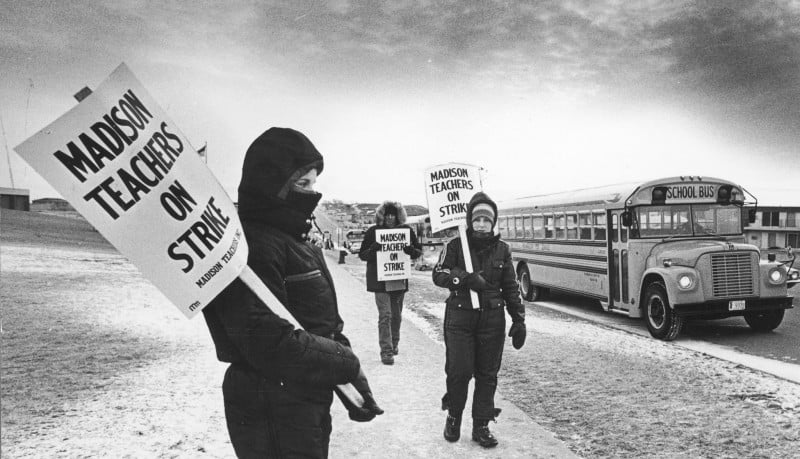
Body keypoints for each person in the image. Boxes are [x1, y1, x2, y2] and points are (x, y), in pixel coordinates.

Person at [202, 127, 383, 458]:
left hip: (303, 403)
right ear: (273, 186)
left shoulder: (296, 242)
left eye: (314, 184)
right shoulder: (249, 248)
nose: (312, 194)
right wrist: (346, 363)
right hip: (270, 407)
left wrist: (349, 384)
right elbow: (268, 342)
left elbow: (320, 321)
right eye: (303, 184)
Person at [432, 192, 527, 448]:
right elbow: (438, 274)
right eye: (477, 219)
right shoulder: (455, 246)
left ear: (493, 222)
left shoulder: (502, 250)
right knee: (459, 370)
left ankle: (481, 425)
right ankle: (453, 416)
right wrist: (463, 278)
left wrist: (519, 319)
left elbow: (511, 287)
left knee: (487, 374)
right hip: (460, 318)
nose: (482, 224)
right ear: (469, 221)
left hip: (492, 321)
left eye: (487, 220)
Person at [358, 201, 422, 365]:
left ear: (398, 216)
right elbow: (363, 255)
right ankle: (386, 351)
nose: (390, 218)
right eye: (387, 215)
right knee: (385, 315)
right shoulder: (373, 231)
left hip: (398, 279)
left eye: (393, 215)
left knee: (396, 316)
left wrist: (410, 251)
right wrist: (374, 249)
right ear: (382, 216)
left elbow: (417, 252)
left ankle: (394, 342)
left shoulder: (406, 231)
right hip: (380, 281)